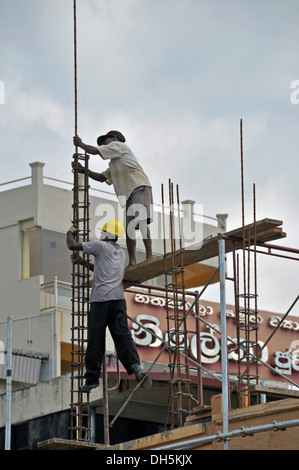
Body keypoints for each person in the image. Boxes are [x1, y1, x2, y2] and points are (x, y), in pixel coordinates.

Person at [66, 219, 152, 392]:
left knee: (96, 339)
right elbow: (101, 269)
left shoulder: (100, 246)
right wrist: (83, 263)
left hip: (100, 301)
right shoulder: (120, 253)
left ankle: (92, 379)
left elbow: (72, 245)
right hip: (118, 301)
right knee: (122, 337)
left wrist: (70, 232)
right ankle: (135, 367)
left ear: (106, 233)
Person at [73, 130, 153, 266]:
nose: (104, 143)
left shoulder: (119, 146)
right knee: (130, 229)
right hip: (129, 194)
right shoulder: (114, 163)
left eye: (106, 140)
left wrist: (81, 144)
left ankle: (149, 256)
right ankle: (132, 261)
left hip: (139, 186)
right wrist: (83, 170)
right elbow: (101, 178)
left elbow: (94, 151)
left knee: (141, 220)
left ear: (115, 138)